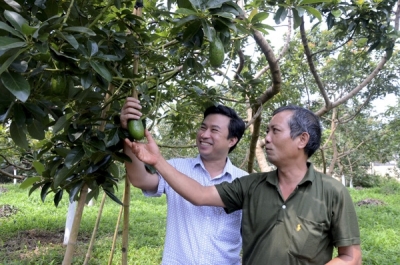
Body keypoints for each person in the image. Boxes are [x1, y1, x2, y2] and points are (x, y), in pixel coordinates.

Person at [125, 104, 362, 265]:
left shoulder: (332, 191)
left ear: (302, 139)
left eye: (275, 131)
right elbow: (198, 194)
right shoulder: (251, 185)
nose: (266, 138)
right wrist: (152, 156)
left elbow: (351, 256)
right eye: (267, 130)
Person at [120, 97, 247, 265]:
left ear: (232, 140)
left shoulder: (244, 181)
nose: (204, 134)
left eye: (214, 130)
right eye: (203, 127)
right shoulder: (176, 168)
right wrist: (128, 133)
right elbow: (140, 179)